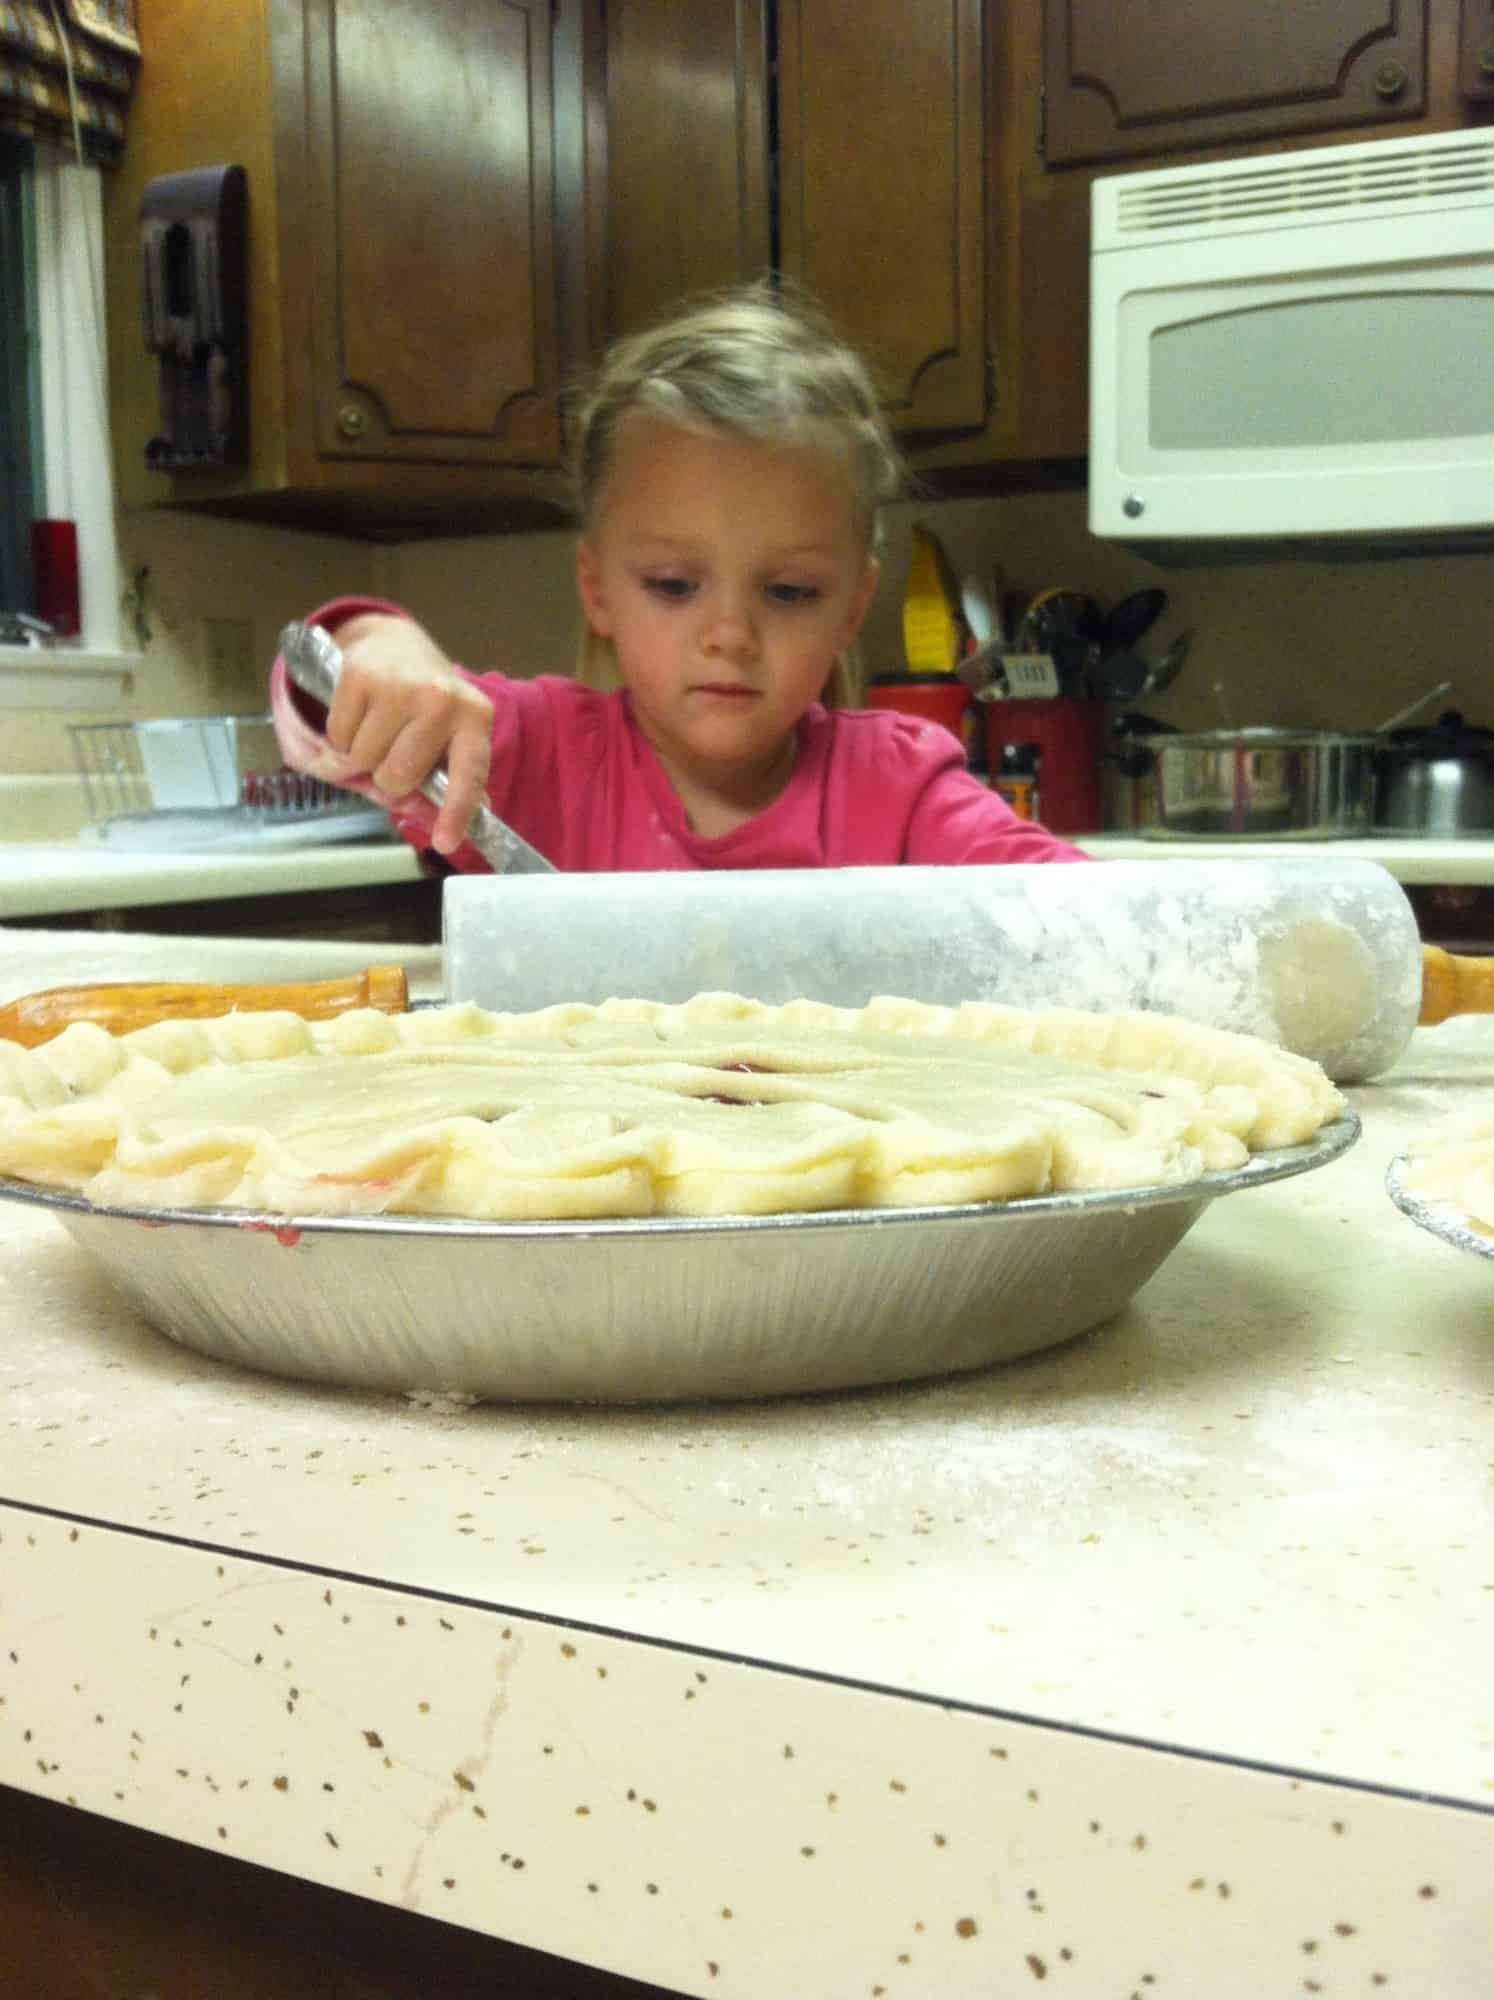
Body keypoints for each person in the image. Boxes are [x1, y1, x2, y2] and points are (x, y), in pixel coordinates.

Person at [270, 283, 1088, 869]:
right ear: (597, 589)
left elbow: (1074, 913)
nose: (729, 635)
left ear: (853, 607)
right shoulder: (528, 761)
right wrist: (383, 650)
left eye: (790, 592)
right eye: (671, 584)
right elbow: (317, 687)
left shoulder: (901, 790)